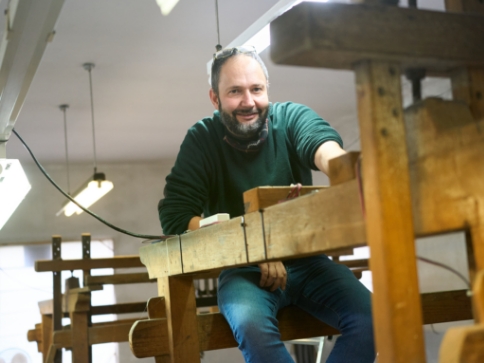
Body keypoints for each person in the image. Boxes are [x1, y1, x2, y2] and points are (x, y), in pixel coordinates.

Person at [158, 46, 375, 363]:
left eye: (256, 89)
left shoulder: (291, 118)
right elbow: (176, 218)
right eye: (234, 91)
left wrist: (348, 171)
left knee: (373, 319)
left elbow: (321, 145)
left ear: (266, 90)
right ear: (215, 98)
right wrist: (253, 247)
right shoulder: (202, 139)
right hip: (243, 271)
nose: (248, 102)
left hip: (308, 261)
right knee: (252, 330)